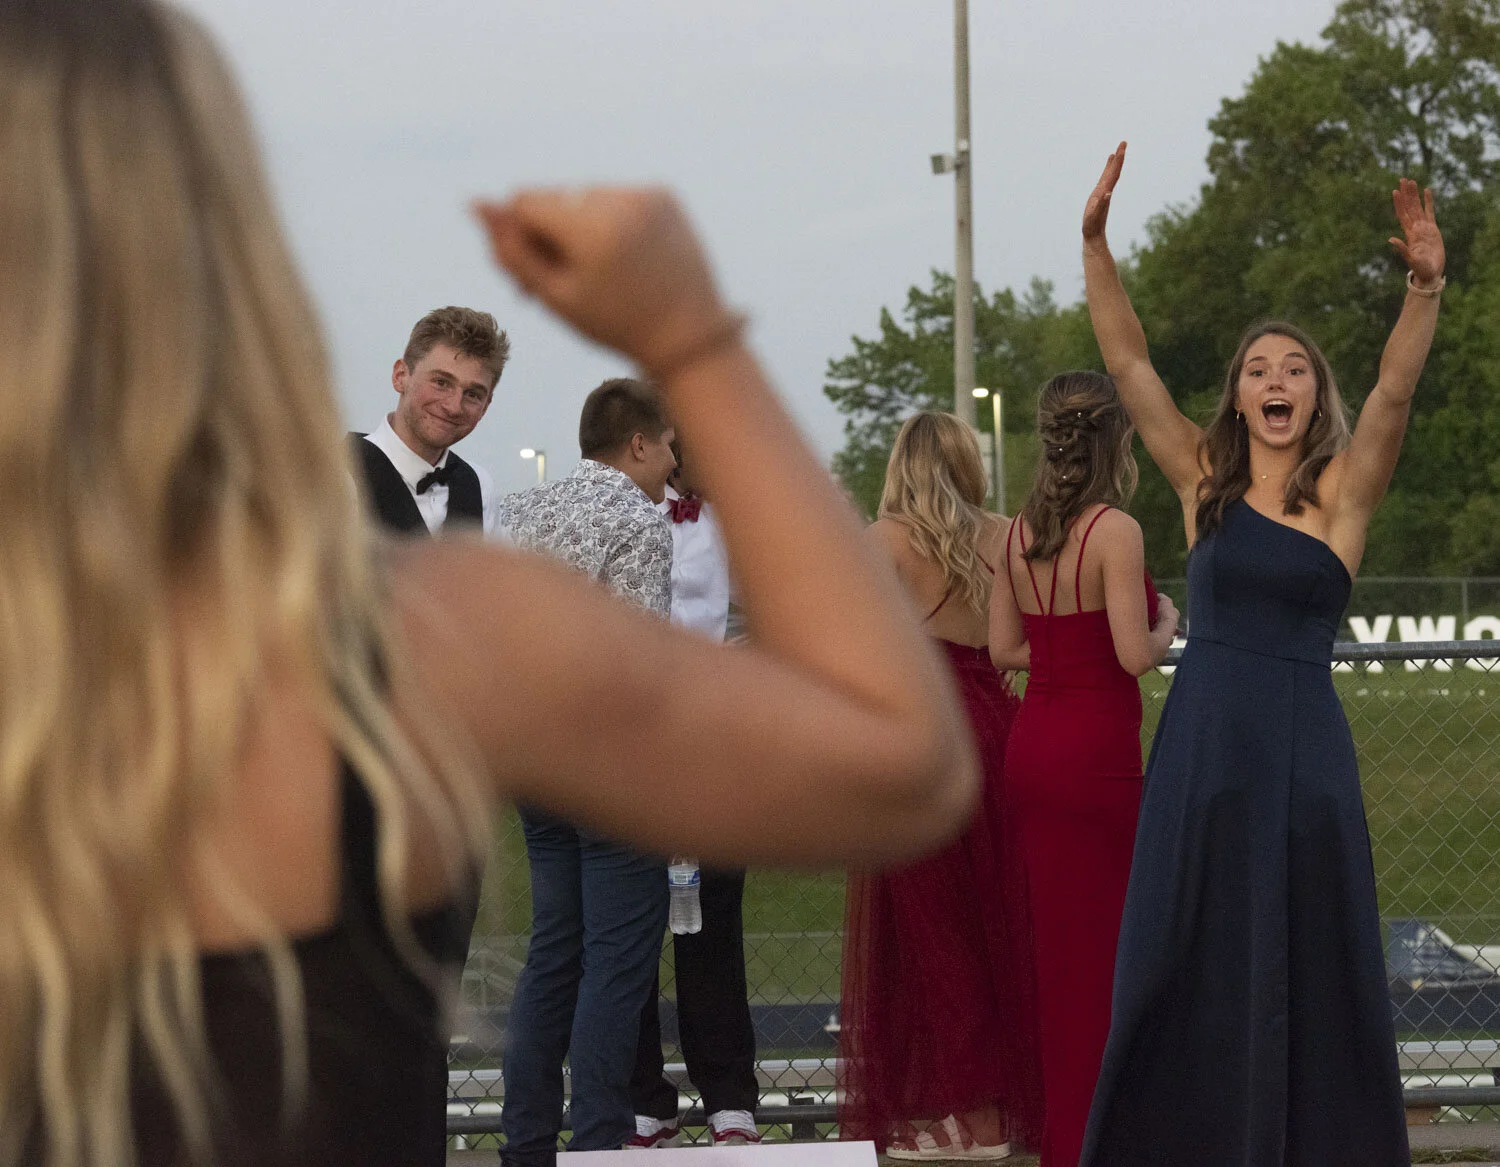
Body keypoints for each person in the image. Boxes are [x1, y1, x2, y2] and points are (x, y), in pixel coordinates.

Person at [2, 3, 979, 1165]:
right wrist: (691, 335)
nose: (454, 409)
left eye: (474, 393)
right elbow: (901, 761)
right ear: (223, 240)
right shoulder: (430, 622)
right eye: (445, 386)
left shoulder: (447, 551)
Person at [1075, 143, 1445, 1165]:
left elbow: (1395, 397)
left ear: (1310, 394)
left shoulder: (1344, 496)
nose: (1274, 381)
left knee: (1310, 961)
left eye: (1292, 370)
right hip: (1204, 755)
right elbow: (1130, 365)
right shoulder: (1204, 482)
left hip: (1305, 758)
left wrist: (1425, 288)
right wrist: (1097, 250)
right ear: (1237, 399)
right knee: (1179, 959)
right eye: (1255, 370)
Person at [839, 412, 1043, 1161]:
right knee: (1004, 927)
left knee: (933, 937)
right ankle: (1012, 1106)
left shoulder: (882, 540)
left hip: (924, 737)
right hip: (1002, 728)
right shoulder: (1009, 534)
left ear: (900, 465)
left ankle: (969, 1115)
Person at [987, 372, 1177, 1167]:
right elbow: (1136, 654)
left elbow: (1005, 651)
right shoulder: (1116, 531)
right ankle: (1106, 1141)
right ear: (1115, 440)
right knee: (1105, 957)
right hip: (1097, 757)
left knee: (1056, 963)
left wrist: (1062, 655)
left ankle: (1063, 1140)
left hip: (1033, 746)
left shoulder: (1012, 533)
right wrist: (1169, 618)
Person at [495, 379, 679, 1164]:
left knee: (552, 953)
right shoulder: (639, 520)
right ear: (637, 443)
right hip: (609, 764)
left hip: (534, 757)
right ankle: (600, 1141)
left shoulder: (520, 513)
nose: (674, 462)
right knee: (618, 964)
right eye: (670, 444)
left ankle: (527, 1140)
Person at [627, 445, 760, 1150]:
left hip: (717, 743)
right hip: (636, 744)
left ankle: (730, 1096)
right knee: (634, 928)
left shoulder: (744, 522)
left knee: (714, 924)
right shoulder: (626, 512)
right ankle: (645, 1098)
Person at [351, 306, 508, 537]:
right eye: (441, 383)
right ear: (400, 376)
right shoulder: (339, 474)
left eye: (473, 394)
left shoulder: (480, 487)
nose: (454, 406)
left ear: (486, 405)